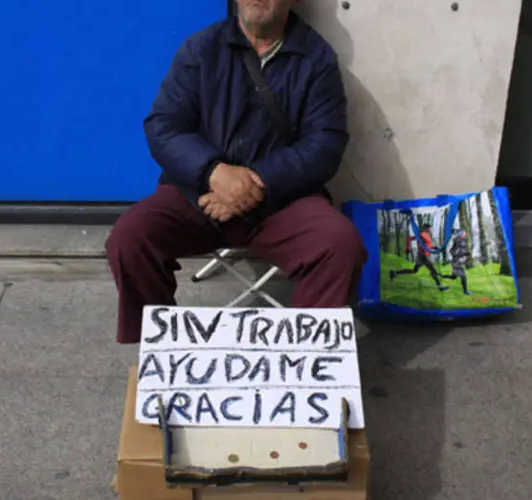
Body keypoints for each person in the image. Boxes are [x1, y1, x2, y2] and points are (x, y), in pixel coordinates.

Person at [105, 0, 367, 344]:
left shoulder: (315, 58)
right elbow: (163, 127)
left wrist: (257, 182)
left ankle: (305, 364)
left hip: (280, 200)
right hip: (198, 195)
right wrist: (214, 173)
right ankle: (165, 355)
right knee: (130, 238)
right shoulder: (201, 48)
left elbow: (325, 144)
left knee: (340, 244)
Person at [389, 224, 449, 291]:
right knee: (433, 270)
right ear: (426, 228)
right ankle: (440, 287)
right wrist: (408, 248)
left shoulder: (427, 235)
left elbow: (427, 245)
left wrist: (434, 247)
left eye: (430, 228)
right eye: (429, 228)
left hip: (422, 256)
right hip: (423, 256)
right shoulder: (422, 234)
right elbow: (410, 239)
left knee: (414, 270)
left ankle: (395, 272)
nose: (431, 229)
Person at [442, 229, 472, 295]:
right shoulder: (458, 240)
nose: (465, 234)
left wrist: (466, 254)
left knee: (453, 277)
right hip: (456, 262)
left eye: (465, 233)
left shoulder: (461, 241)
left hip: (456, 262)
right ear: (461, 234)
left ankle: (440, 276)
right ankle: (465, 291)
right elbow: (452, 251)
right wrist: (458, 256)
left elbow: (459, 251)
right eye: (464, 233)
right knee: (463, 276)